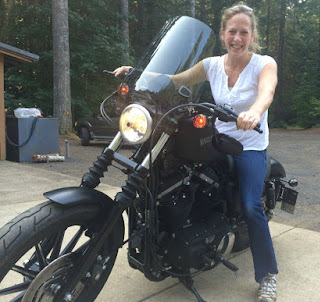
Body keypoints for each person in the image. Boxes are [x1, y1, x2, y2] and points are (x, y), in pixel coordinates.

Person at [113, 3, 278, 301]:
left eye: (243, 32)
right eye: (232, 32)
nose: (237, 38)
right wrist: (139, 73)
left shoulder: (264, 63)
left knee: (252, 206)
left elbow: (267, 91)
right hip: (215, 137)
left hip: (248, 144)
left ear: (252, 35)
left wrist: (254, 111)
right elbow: (175, 79)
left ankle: (268, 275)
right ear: (222, 34)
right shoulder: (212, 65)